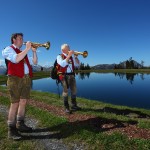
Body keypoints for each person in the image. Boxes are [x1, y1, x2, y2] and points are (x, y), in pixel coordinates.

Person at [2, 33, 38, 140]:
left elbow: (35, 63)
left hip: (26, 79)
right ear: (14, 40)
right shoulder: (7, 49)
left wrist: (34, 52)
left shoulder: (24, 53)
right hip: (15, 79)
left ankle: (20, 124)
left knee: (23, 102)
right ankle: (11, 130)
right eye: (20, 39)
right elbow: (16, 59)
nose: (23, 40)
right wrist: (27, 49)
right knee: (15, 103)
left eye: (22, 38)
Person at [56, 44, 81, 114]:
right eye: (68, 48)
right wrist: (69, 56)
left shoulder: (72, 57)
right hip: (64, 76)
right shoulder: (59, 56)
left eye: (69, 48)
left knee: (74, 90)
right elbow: (62, 64)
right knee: (65, 91)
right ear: (63, 50)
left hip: (72, 75)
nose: (69, 49)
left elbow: (77, 64)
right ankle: (66, 107)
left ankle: (74, 105)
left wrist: (75, 57)